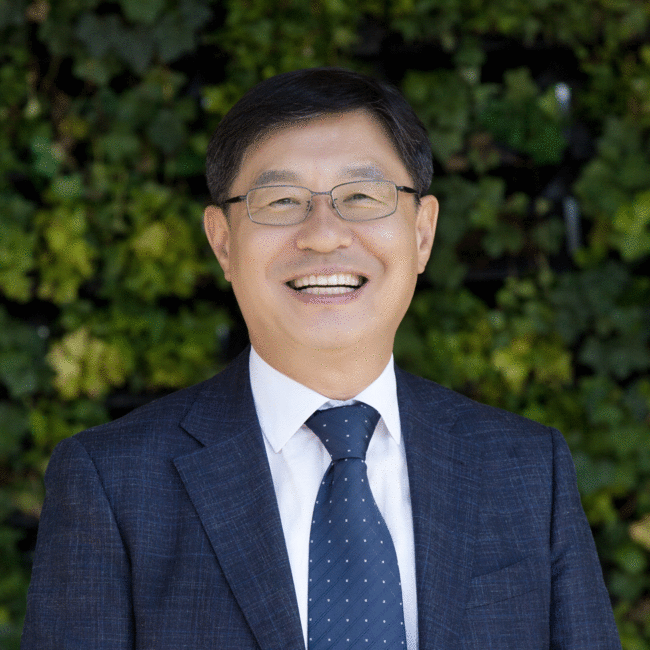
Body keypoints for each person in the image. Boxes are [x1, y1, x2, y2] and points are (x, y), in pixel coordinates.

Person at [22, 67, 622, 649]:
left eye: (361, 196)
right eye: (281, 200)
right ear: (223, 242)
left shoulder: (526, 470)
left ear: (422, 233)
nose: (323, 234)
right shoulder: (114, 484)